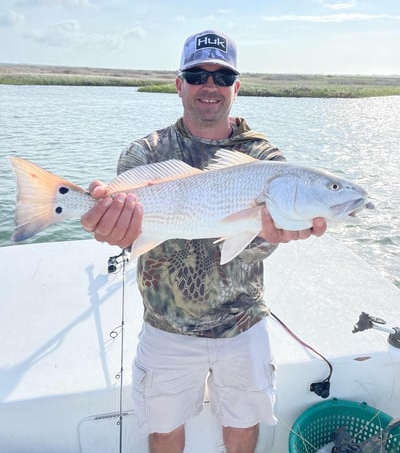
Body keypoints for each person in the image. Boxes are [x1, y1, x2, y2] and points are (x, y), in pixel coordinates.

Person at [81, 30, 326, 453]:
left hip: (243, 324)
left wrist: (275, 234)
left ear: (236, 87)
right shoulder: (145, 153)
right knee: (163, 427)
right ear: (179, 85)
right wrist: (113, 231)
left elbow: (264, 237)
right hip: (166, 327)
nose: (209, 85)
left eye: (221, 76)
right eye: (196, 75)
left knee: (245, 421)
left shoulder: (264, 158)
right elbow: (131, 237)